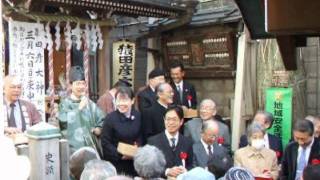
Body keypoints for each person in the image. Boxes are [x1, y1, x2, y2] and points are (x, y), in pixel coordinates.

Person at [58, 66, 105, 154]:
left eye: (83, 83)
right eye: (78, 83)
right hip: (72, 150)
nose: (81, 86)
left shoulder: (90, 104)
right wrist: (79, 108)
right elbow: (63, 122)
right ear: (71, 85)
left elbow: (102, 120)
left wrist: (98, 129)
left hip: (91, 148)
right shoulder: (65, 104)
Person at [101, 86, 142, 176]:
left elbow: (141, 135)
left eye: (125, 100)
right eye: (118, 100)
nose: (121, 104)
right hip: (116, 163)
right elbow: (105, 142)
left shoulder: (138, 116)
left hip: (134, 162)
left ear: (132, 101)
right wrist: (120, 155)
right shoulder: (110, 118)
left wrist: (137, 146)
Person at [148, 106, 193, 178]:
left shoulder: (188, 142)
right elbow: (149, 166)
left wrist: (185, 170)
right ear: (164, 120)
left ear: (181, 121)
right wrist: (167, 171)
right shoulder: (153, 141)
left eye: (174, 119)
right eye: (168, 119)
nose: (171, 123)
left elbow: (192, 164)